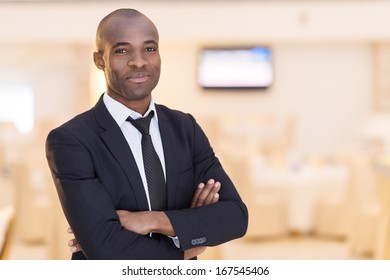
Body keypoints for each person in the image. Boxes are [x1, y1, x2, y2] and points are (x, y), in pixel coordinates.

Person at [45, 8, 248, 260]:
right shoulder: (71, 140)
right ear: (100, 60)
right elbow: (104, 247)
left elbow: (236, 217)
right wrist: (186, 244)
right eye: (122, 50)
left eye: (149, 49)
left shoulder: (185, 128)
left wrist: (154, 220)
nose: (139, 61)